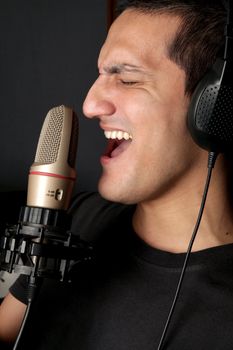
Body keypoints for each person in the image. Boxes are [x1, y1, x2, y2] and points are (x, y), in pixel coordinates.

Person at [1, 0, 233, 349]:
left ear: (213, 105)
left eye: (127, 79)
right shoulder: (75, 219)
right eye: (101, 74)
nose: (91, 104)